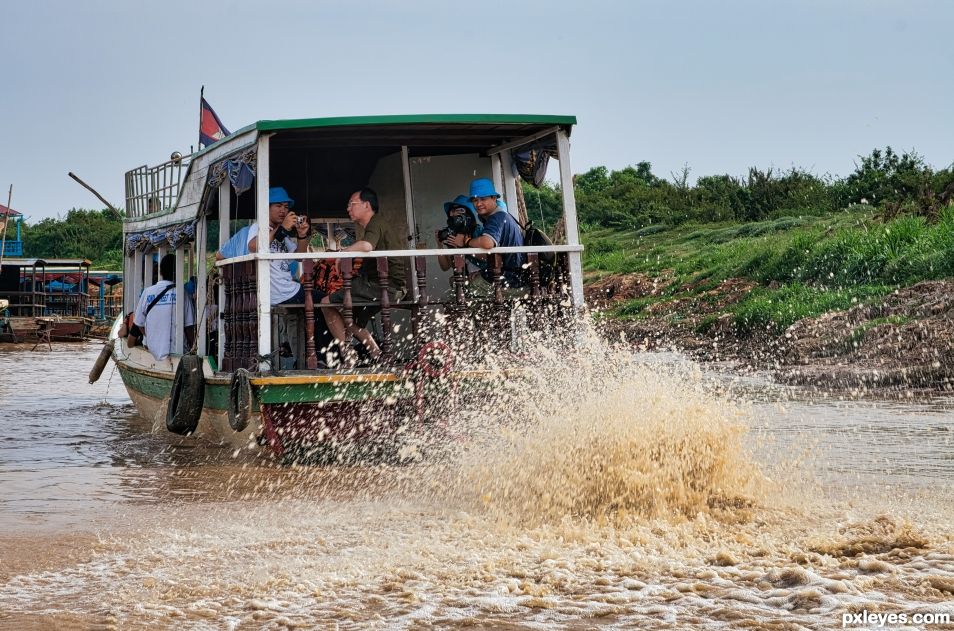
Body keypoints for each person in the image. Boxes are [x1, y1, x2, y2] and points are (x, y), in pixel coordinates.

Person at [320, 187, 407, 363]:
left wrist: (343, 252)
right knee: (350, 318)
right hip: (389, 286)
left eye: (352, 204)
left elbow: (367, 246)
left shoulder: (375, 222)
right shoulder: (377, 224)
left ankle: (348, 353)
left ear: (366, 205)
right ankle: (376, 354)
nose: (348, 209)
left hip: (383, 286)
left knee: (325, 303)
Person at [445, 178, 525, 289]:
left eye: (483, 199)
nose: (478, 204)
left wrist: (466, 241)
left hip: (510, 278)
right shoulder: (501, 216)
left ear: (494, 198)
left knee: (460, 292)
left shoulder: (497, 217)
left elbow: (487, 243)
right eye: (475, 200)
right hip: (508, 274)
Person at [243, 186, 312, 305]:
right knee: (324, 300)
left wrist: (301, 235)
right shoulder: (259, 227)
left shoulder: (283, 235)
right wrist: (282, 228)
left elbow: (299, 257)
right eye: (278, 206)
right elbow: (253, 247)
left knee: (324, 301)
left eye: (286, 207)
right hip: (280, 294)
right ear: (267, 208)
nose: (283, 211)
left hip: (288, 290)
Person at [131, 253, 196, 361]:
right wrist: (194, 350)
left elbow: (139, 323)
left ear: (161, 272)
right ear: (178, 271)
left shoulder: (147, 292)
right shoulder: (182, 294)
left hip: (153, 352)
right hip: (179, 353)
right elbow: (189, 327)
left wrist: (153, 337)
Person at [435, 194, 483, 274]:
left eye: (459, 211)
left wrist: (465, 245)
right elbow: (445, 267)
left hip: (482, 278)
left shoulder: (478, 231)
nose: (454, 215)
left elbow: (488, 257)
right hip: (463, 280)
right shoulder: (453, 234)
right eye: (452, 211)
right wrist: (440, 246)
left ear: (468, 215)